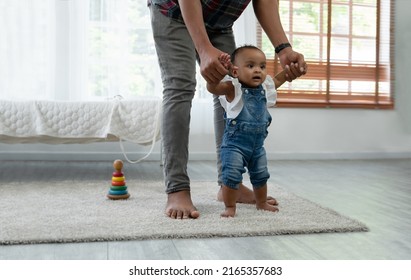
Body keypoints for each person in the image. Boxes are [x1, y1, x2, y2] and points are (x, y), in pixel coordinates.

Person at [147, 0, 307, 219]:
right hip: (173, 11)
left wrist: (283, 49)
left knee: (233, 87)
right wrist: (203, 49)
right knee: (180, 86)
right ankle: (177, 188)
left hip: (219, 22)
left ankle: (229, 186)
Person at [207, 45, 286, 217]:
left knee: (261, 175)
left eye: (262, 66)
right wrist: (215, 77)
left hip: (257, 147)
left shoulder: (265, 87)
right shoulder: (232, 88)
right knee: (231, 176)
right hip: (234, 146)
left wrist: (289, 71)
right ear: (235, 72)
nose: (258, 70)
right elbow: (213, 88)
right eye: (250, 66)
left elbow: (278, 81)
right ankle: (230, 207)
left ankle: (261, 202)